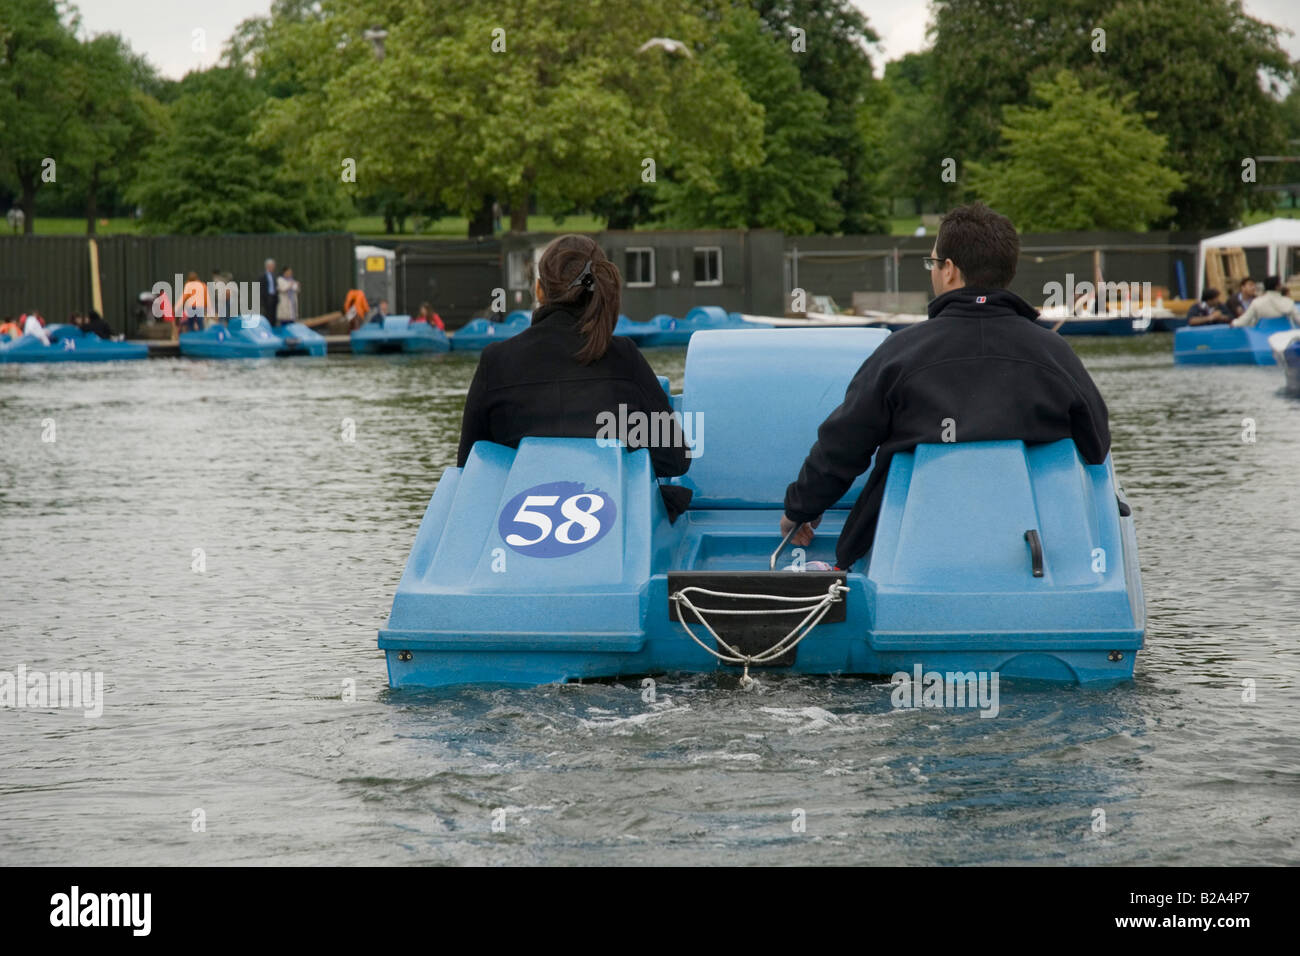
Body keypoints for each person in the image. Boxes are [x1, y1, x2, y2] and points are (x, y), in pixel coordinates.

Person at [779, 202, 1110, 571]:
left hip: (908, 548)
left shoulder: (899, 353)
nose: (933, 272)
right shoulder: (1054, 355)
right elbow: (1096, 445)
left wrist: (800, 509)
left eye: (933, 263)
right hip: (1036, 549)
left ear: (950, 270)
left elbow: (843, 446)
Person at [456, 234, 692, 519]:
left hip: (519, 525)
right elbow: (676, 459)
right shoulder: (623, 358)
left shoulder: (495, 361)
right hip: (611, 523)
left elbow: (470, 466)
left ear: (540, 291)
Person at [1231, 274, 1300, 327]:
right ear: (1278, 286)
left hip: (1263, 336)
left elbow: (1245, 319)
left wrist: (1234, 323)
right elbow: (1298, 319)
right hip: (1285, 335)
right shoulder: (1288, 302)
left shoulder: (1257, 302)